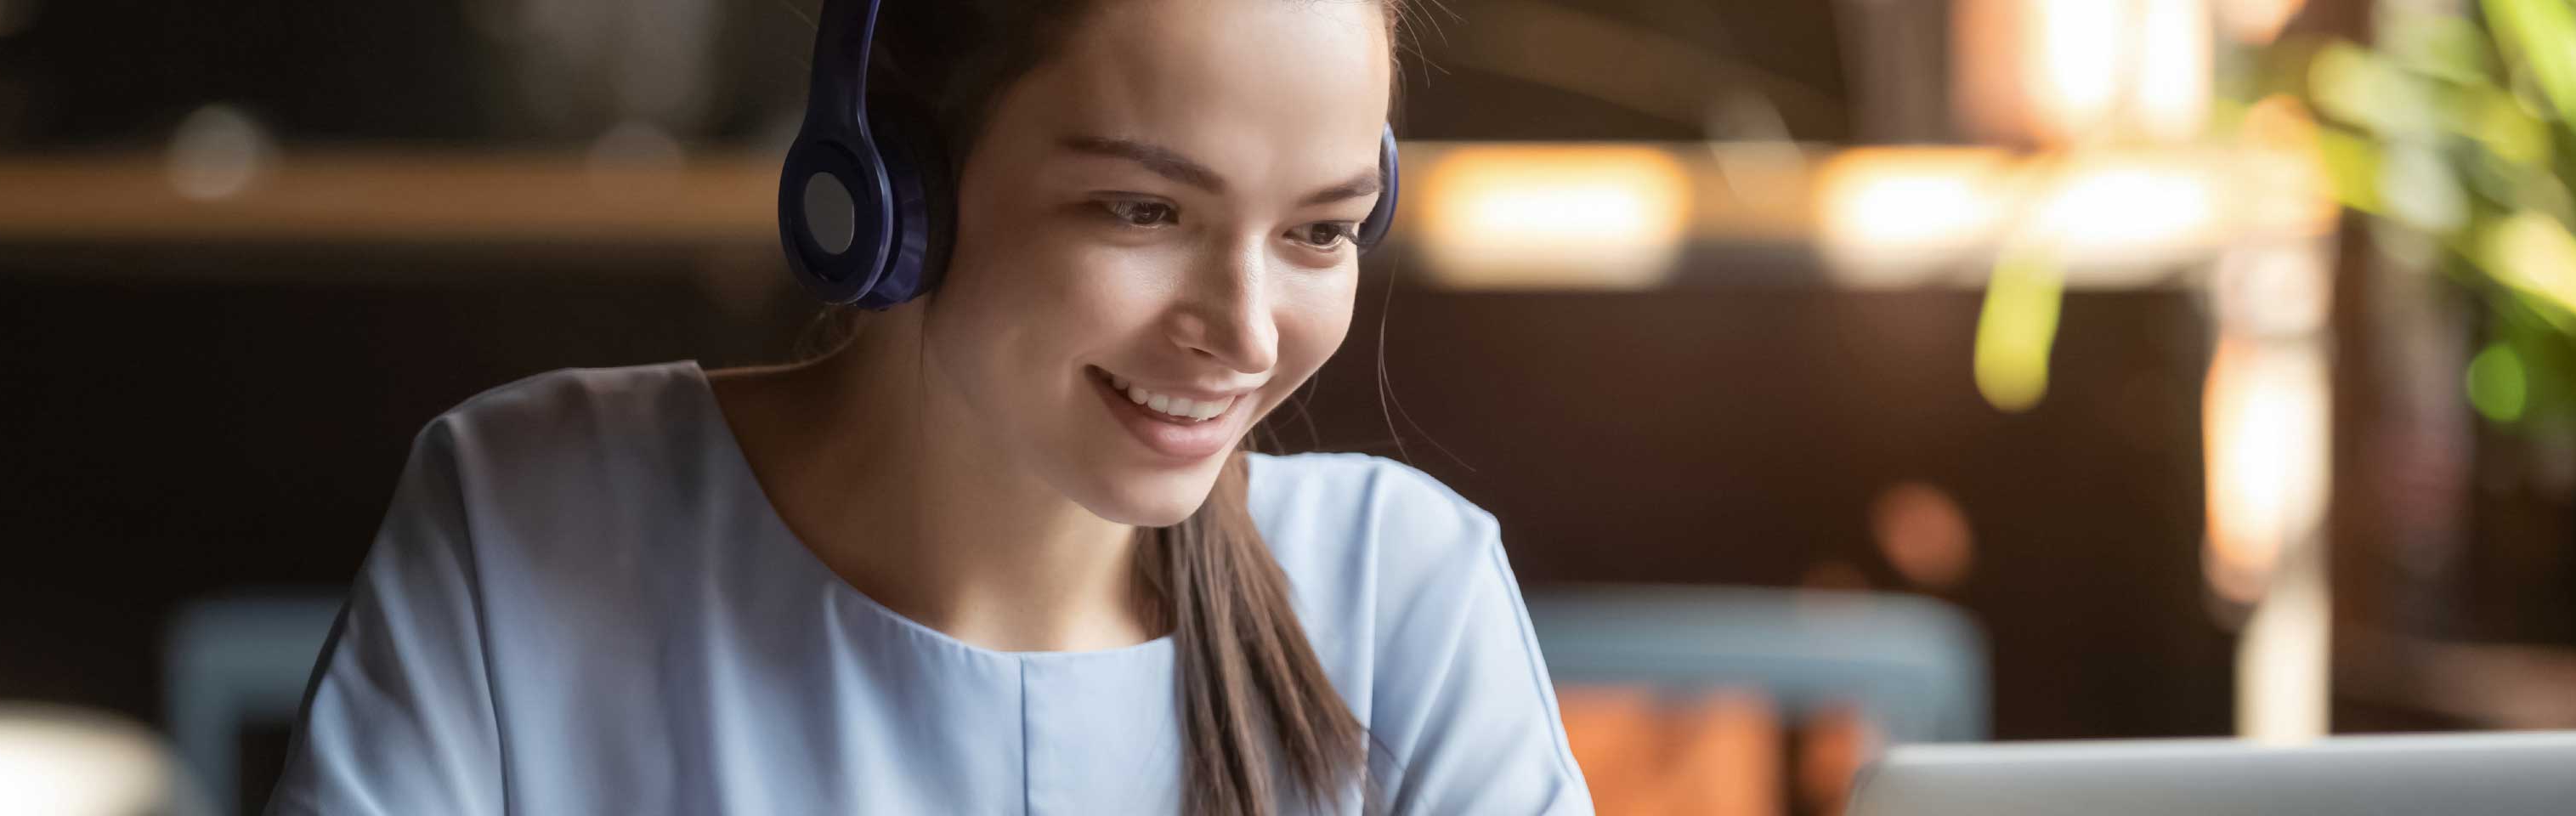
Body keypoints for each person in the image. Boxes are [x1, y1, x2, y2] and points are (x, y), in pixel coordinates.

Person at [270, 1, 1594, 813]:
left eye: (1318, 231)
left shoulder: (1403, 592)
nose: (1246, 334)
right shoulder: (530, 514)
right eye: (1142, 210)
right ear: (892, 188)